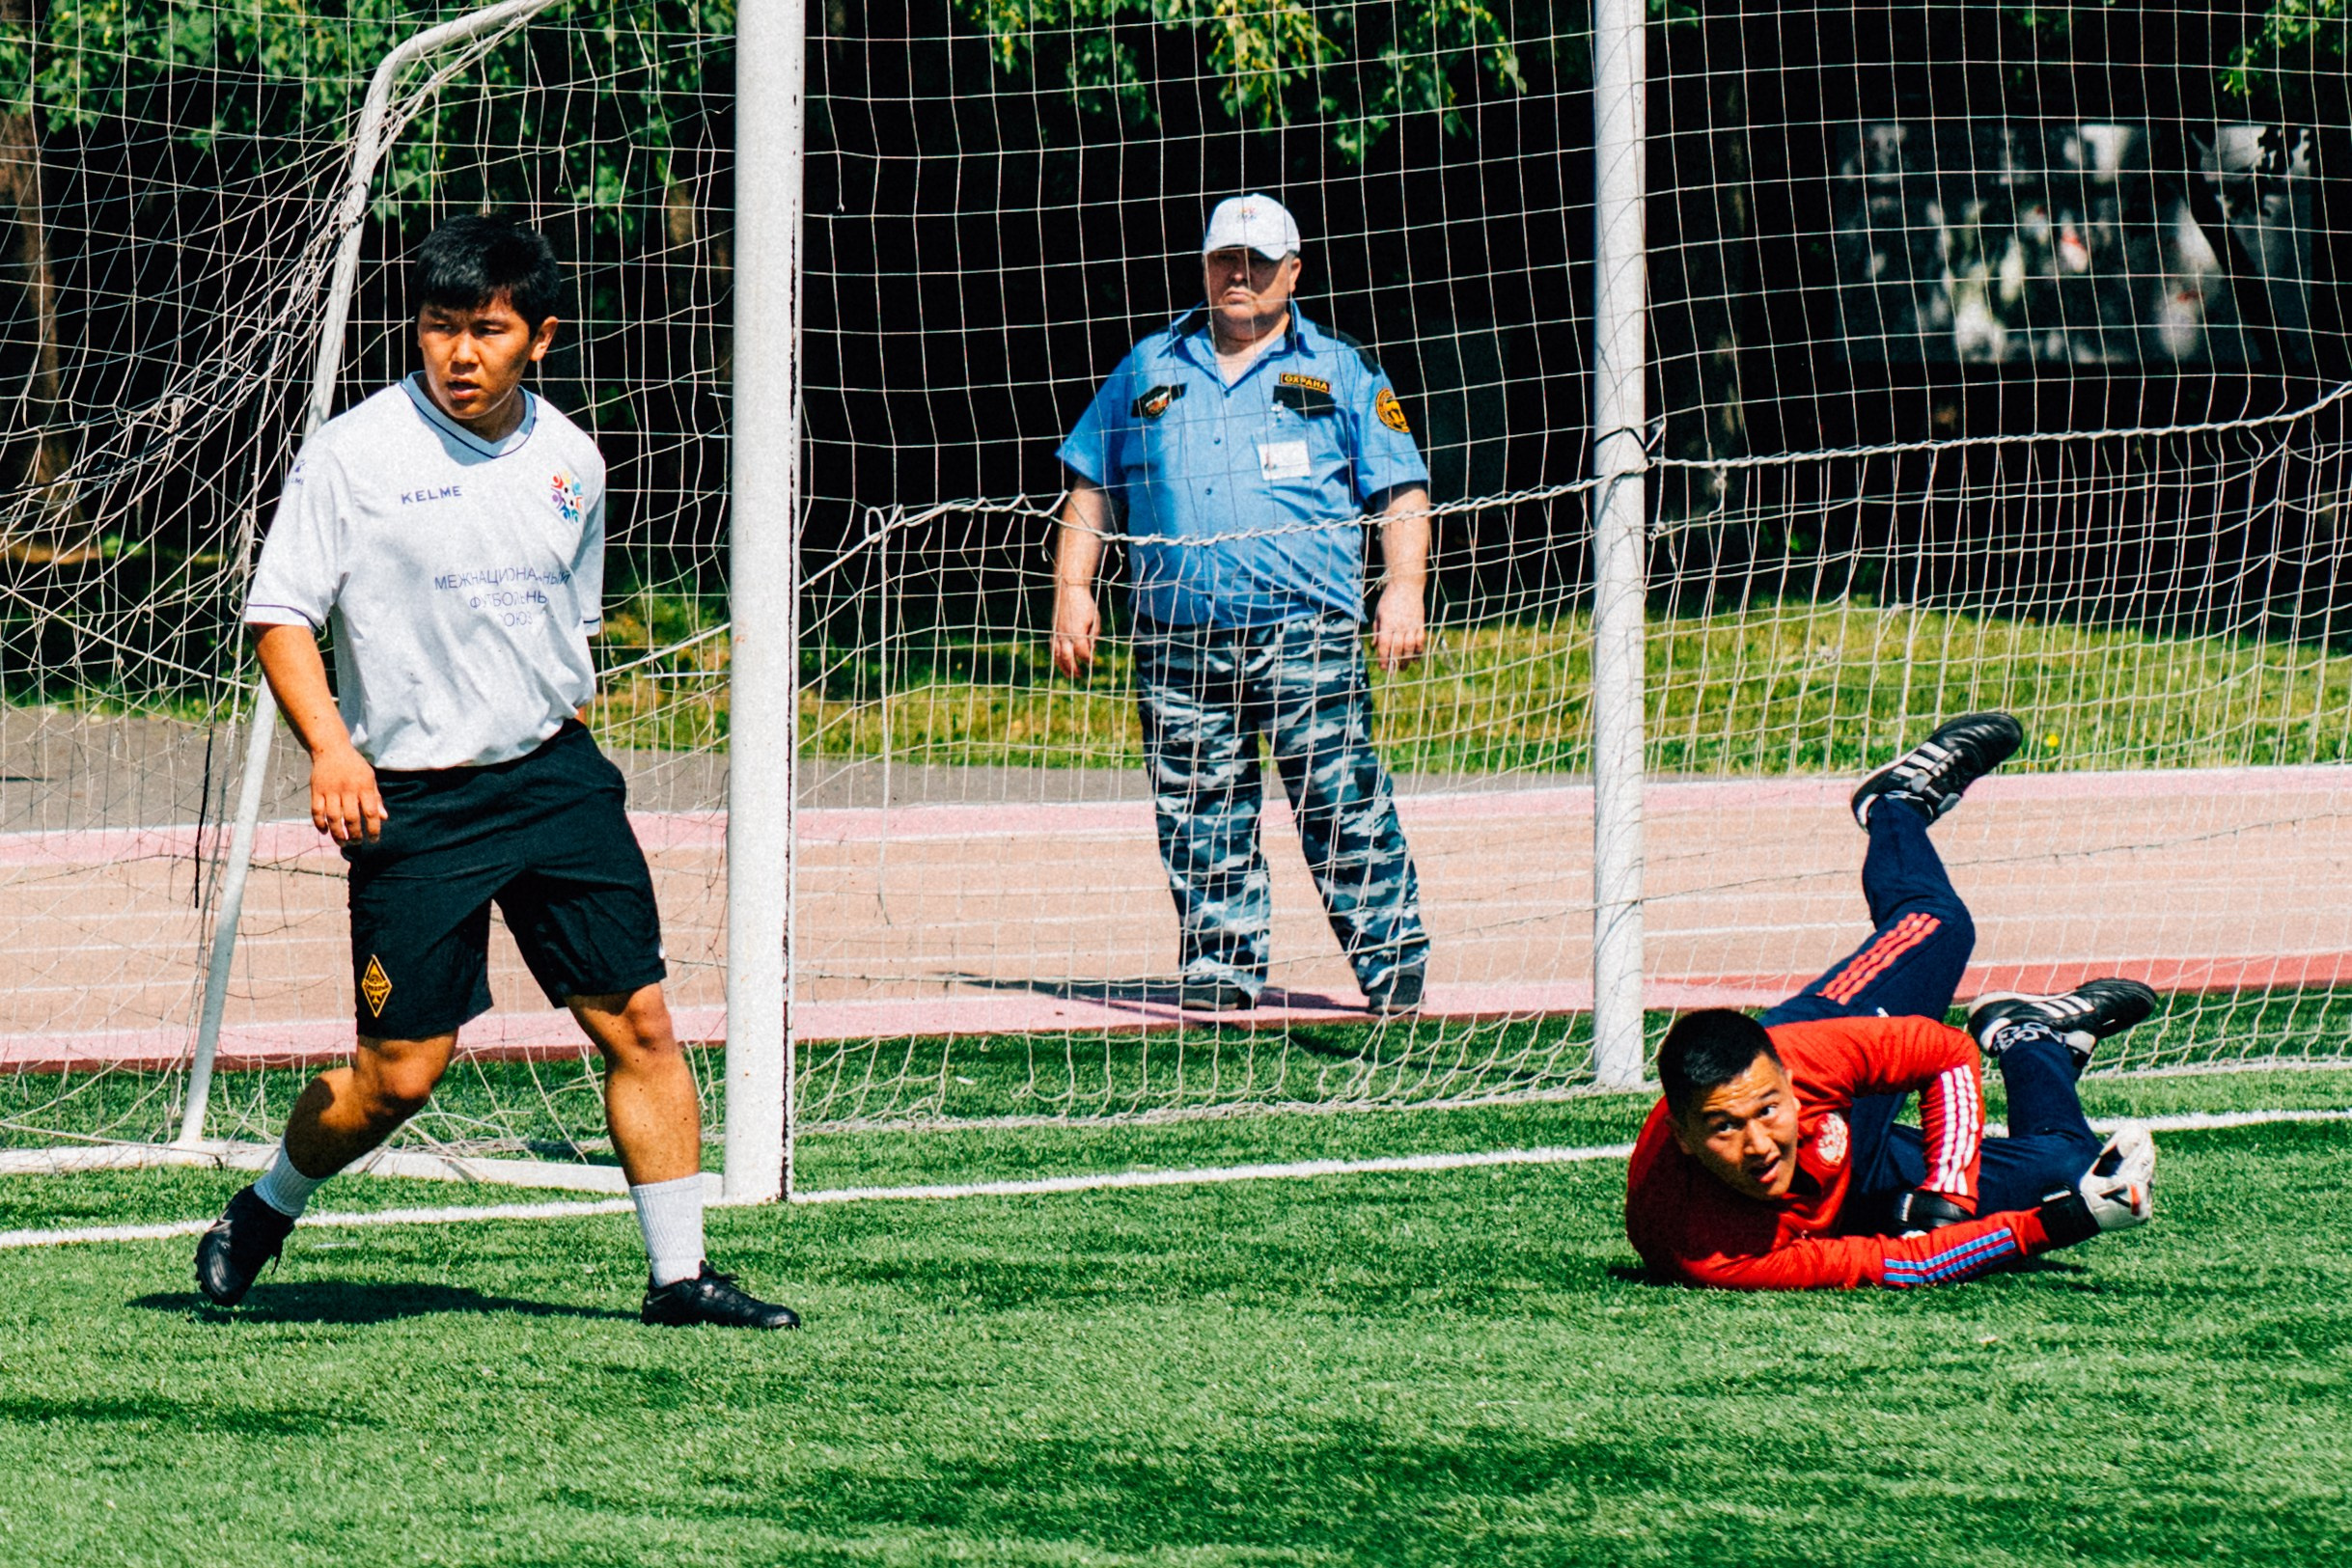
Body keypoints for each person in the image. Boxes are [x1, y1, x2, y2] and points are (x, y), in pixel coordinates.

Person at [194, 216, 797, 1330]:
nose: (459, 353)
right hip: (415, 799)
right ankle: (264, 1208)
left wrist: (561, 720)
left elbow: (572, 618)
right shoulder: (354, 453)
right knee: (400, 1076)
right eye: (438, 328)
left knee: (640, 1022)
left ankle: (679, 1275)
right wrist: (332, 745)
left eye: (487, 329)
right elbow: (280, 612)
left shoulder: (574, 459)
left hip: (555, 781)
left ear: (540, 336)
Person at [1051, 193, 1435, 1014]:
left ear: (1292, 273)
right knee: (1197, 805)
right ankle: (1221, 966)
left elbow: (1401, 488)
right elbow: (1090, 483)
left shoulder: (1341, 369)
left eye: (1258, 263)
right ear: (1205, 265)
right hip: (1177, 636)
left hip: (1307, 633)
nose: (1239, 275)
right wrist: (1071, 589)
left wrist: (1403, 589)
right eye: (1226, 259)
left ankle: (1390, 959)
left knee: (1339, 796)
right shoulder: (1148, 366)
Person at [1624, 712, 2162, 1290]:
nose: (1759, 1145)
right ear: (1682, 1136)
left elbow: (1949, 1054)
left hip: (1831, 1065)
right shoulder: (1702, 1249)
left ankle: (1897, 802)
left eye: (1767, 1110)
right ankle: (2031, 1037)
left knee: (1941, 925)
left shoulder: (1810, 1055)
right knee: (2069, 1172)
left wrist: (1947, 1193)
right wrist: (2069, 1218)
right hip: (1851, 1193)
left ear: (1786, 1080)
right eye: (1723, 1128)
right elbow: (1909, 1262)